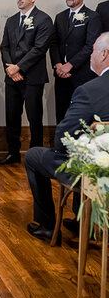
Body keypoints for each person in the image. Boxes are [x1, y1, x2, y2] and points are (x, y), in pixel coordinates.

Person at [25, 32, 109, 244]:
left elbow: (65, 136)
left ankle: (48, 227)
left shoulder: (89, 91)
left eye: (93, 52)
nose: (90, 57)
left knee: (35, 155)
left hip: (96, 173)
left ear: (104, 54)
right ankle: (84, 222)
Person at [0, 0, 53, 166]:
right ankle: (13, 153)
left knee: (34, 117)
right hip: (12, 77)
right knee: (12, 116)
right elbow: (4, 47)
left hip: (33, 77)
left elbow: (39, 49)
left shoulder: (44, 19)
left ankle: (35, 157)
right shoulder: (12, 20)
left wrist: (19, 67)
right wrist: (11, 70)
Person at [50, 0, 102, 124]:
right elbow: (54, 43)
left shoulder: (92, 17)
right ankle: (60, 146)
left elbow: (91, 45)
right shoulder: (60, 17)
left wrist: (70, 65)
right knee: (61, 114)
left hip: (82, 76)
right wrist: (58, 64)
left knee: (82, 117)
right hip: (61, 74)